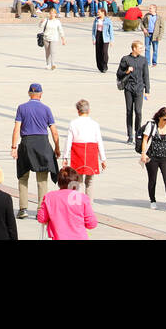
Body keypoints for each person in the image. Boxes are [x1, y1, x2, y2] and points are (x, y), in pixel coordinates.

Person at [11, 83, 60, 220]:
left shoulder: (21, 108)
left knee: (23, 176)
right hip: (42, 144)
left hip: (26, 143)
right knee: (42, 178)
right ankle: (40, 210)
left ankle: (23, 209)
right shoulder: (46, 109)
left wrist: (14, 147)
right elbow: (54, 132)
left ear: (29, 93)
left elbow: (16, 128)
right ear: (41, 94)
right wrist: (57, 147)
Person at [36, 166, 98, 240]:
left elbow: (41, 218)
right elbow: (92, 224)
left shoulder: (49, 197)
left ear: (59, 182)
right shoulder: (82, 198)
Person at [137, 107, 166, 210]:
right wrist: (143, 153)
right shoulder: (152, 126)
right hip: (152, 157)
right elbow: (145, 140)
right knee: (152, 180)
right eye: (164, 119)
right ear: (159, 117)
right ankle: (152, 200)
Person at [66, 99, 105, 193]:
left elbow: (68, 141)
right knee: (90, 181)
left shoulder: (73, 123)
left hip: (77, 152)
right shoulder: (95, 124)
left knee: (78, 181)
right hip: (91, 152)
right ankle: (89, 205)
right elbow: (99, 141)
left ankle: (79, 203)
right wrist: (103, 159)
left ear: (78, 111)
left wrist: (65, 157)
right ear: (89, 111)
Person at [116, 40, 151, 144]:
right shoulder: (125, 59)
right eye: (140, 48)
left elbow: (146, 75)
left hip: (140, 88)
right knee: (129, 111)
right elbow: (119, 73)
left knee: (138, 112)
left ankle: (138, 133)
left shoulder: (144, 60)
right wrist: (127, 71)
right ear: (134, 49)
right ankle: (130, 135)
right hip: (129, 88)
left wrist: (147, 90)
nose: (142, 49)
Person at [91, 7, 114, 73]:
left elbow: (111, 31)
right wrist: (93, 38)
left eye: (99, 12)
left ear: (103, 12)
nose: (98, 13)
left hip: (105, 37)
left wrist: (111, 40)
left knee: (104, 52)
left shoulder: (108, 20)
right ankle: (100, 67)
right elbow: (93, 30)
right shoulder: (96, 19)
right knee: (98, 52)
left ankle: (105, 65)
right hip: (98, 35)